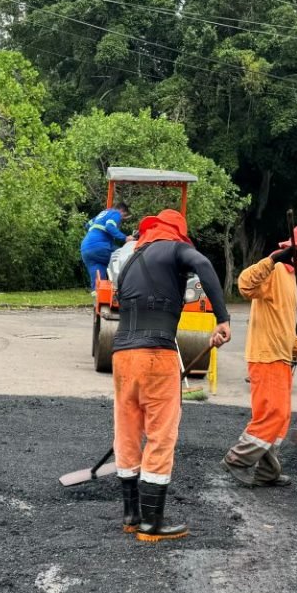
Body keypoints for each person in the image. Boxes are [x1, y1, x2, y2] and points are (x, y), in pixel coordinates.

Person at [112, 209, 231, 541]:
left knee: (128, 430)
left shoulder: (130, 260)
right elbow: (205, 265)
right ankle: (152, 524)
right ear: (177, 232)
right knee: (161, 435)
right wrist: (222, 318)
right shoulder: (175, 248)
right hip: (156, 355)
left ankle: (131, 515)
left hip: (122, 355)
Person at [222, 224, 297, 488]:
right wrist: (271, 260)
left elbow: (284, 326)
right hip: (266, 355)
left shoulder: (291, 279)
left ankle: (267, 471)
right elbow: (245, 284)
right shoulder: (276, 270)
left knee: (279, 417)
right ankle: (237, 459)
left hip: (280, 355)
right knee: (272, 415)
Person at [80, 201, 131, 290]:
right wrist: (125, 238)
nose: (121, 220)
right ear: (122, 211)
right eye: (123, 217)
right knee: (124, 258)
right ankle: (124, 290)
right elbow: (109, 227)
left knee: (98, 279)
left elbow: (88, 225)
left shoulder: (103, 213)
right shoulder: (116, 213)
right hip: (99, 247)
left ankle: (99, 300)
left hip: (86, 248)